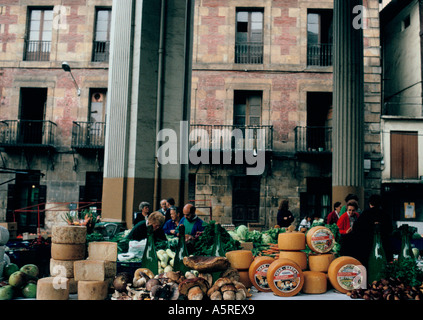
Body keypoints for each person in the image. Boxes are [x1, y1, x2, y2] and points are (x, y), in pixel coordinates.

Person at [351, 194, 394, 268]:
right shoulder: (385, 215)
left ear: (370, 203)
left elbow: (356, 229)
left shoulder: (365, 214)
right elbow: (390, 230)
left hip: (367, 248)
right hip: (383, 247)